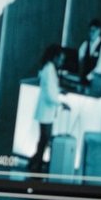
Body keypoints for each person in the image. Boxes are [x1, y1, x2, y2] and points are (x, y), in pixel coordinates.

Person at [32, 43, 69, 174]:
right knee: (44, 139)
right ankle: (36, 164)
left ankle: (36, 162)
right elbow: (50, 94)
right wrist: (61, 103)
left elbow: (52, 88)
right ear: (54, 57)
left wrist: (60, 92)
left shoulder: (50, 68)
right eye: (60, 59)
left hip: (46, 111)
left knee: (44, 139)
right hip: (45, 111)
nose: (61, 62)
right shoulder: (49, 70)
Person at [79, 18, 101, 90]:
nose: (91, 33)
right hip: (84, 81)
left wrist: (88, 77)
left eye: (94, 31)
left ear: (99, 31)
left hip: (97, 82)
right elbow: (80, 61)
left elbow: (100, 67)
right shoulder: (85, 44)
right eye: (90, 31)